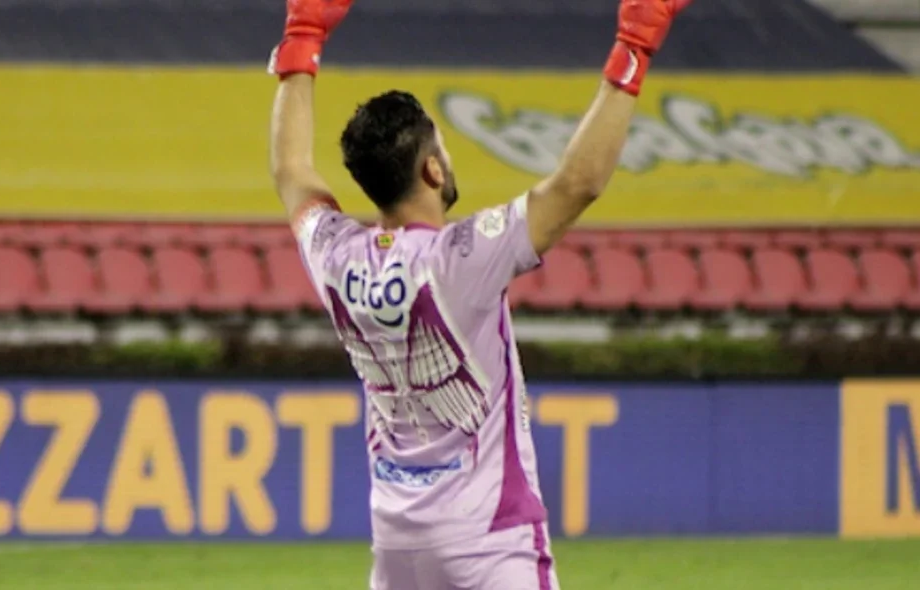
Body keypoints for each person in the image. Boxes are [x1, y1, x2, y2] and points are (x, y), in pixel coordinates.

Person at [267, 1, 688, 587]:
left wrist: (301, 36)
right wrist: (636, 46)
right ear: (433, 171)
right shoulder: (461, 258)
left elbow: (290, 169)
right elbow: (578, 184)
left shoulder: (336, 255)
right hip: (488, 538)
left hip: (395, 541)